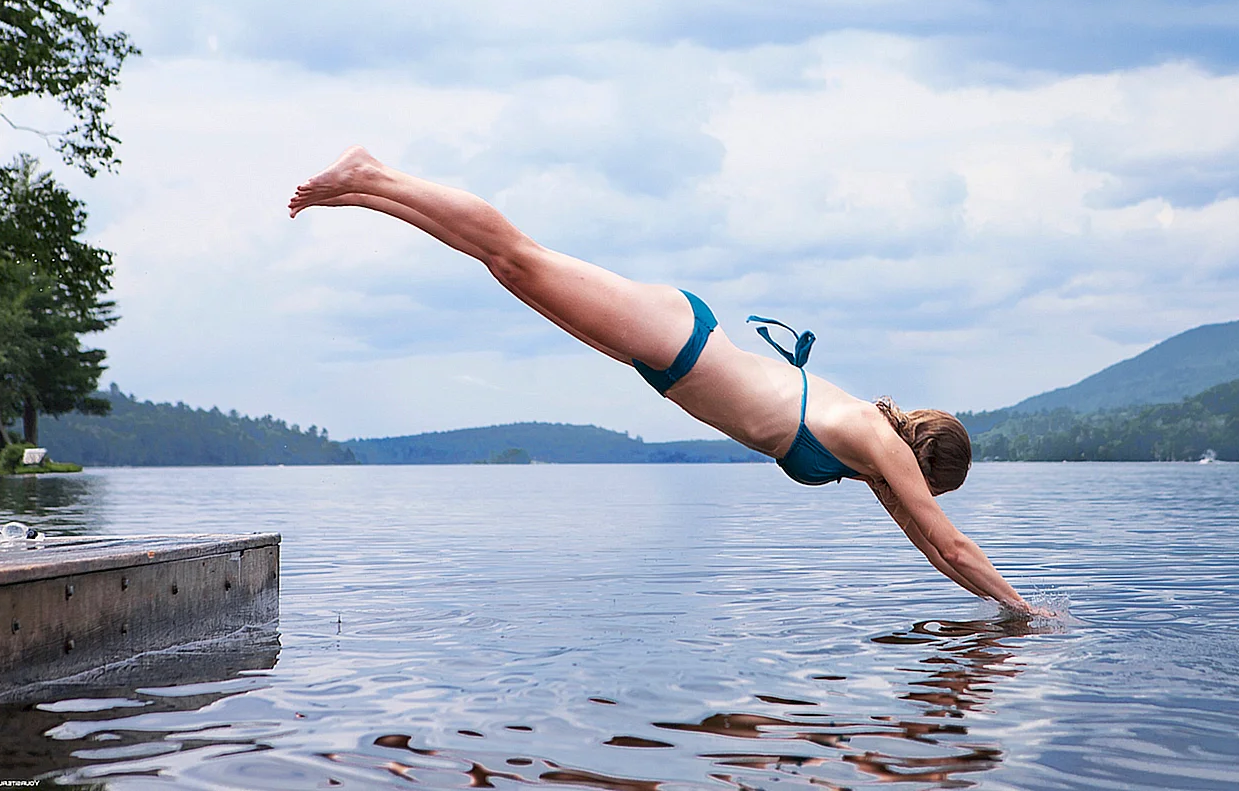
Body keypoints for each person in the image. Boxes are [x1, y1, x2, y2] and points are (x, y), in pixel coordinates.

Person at [289, 147, 1039, 615]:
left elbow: (926, 542)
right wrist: (1029, 612)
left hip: (670, 359)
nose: (924, 501)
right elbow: (953, 546)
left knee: (508, 269)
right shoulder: (879, 442)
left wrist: (1000, 610)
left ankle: (367, 191)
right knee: (518, 255)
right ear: (931, 468)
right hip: (680, 342)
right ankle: (373, 176)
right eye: (934, 490)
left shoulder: (874, 455)